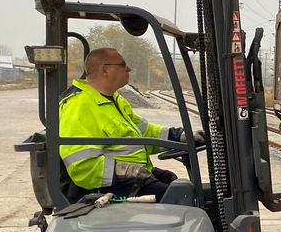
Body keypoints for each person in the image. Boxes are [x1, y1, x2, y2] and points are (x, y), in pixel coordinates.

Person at [58, 47, 201, 201]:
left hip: (131, 179)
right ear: (105, 70)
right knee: (182, 199)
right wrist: (129, 171)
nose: (129, 69)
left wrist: (180, 136)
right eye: (122, 65)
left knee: (179, 185)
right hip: (108, 187)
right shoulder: (79, 106)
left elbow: (144, 133)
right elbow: (82, 167)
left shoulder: (113, 100)